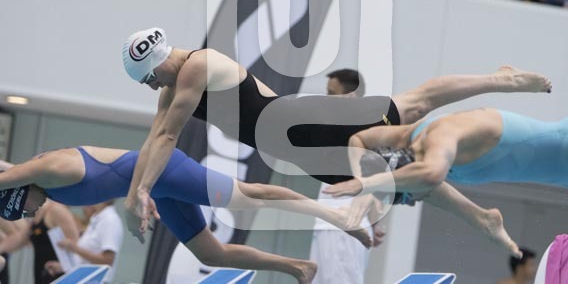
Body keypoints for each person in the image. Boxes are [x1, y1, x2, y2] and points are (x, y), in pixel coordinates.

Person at [121, 28, 551, 236]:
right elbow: (153, 139)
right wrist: (133, 197)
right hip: (295, 149)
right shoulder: (172, 88)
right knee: (395, 177)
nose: (152, 87)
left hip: (303, 121)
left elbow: (168, 137)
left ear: (158, 60)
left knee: (412, 105)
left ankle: (502, 79)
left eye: (149, 78)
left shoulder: (197, 66)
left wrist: (142, 190)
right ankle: (481, 217)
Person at [0, 145, 387, 283]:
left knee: (251, 196)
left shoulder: (50, 168)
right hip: (157, 189)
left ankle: (339, 216)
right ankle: (298, 268)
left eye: (22, 210)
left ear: (20, 189)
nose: (30, 215)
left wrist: (140, 193)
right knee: (211, 254)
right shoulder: (43, 183)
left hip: (167, 172)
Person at [325, 108, 568, 238]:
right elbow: (358, 140)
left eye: (407, 197)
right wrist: (369, 193)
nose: (414, 201)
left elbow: (428, 176)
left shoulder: (436, 141)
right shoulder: (424, 159)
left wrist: (367, 183)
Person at [309, 69, 386, 284]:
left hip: (344, 227)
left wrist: (374, 221)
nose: (327, 98)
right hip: (329, 224)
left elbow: (373, 179)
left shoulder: (359, 131)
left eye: (332, 93)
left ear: (351, 96)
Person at [44, 200, 124, 283]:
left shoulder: (110, 219)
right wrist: (63, 267)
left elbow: (107, 261)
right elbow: (87, 260)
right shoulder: (96, 218)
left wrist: (75, 249)